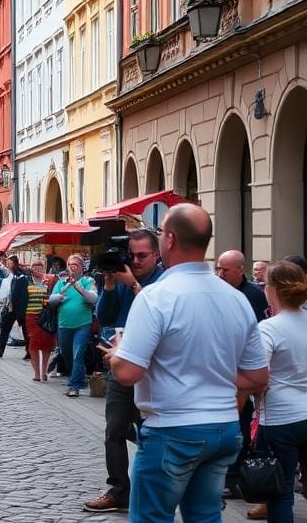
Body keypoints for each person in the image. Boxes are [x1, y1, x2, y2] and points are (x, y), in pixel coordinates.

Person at [106, 203, 268, 523]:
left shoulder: (156, 297)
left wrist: (117, 352)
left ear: (169, 239)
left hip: (172, 428)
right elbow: (258, 376)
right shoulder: (235, 298)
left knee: (152, 517)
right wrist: (210, 377)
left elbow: (127, 372)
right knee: (205, 516)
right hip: (223, 428)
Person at [84, 229, 164, 514]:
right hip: (120, 365)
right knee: (114, 430)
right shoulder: (119, 277)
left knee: (151, 431)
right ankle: (119, 491)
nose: (137, 261)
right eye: (133, 255)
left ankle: (153, 487)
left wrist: (133, 285)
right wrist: (109, 284)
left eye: (143, 255)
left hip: (153, 371)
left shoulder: (162, 281)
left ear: (157, 255)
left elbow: (156, 313)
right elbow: (104, 317)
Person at [252, 260, 307, 523]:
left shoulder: (268, 328)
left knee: (282, 492)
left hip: (280, 418)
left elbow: (258, 376)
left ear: (272, 289)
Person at [216, 249, 270, 498]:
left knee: (241, 421)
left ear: (240, 269)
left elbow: (258, 336)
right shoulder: (219, 292)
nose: (220, 273)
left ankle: (234, 475)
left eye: (225, 269)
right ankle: (228, 473)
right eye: (218, 268)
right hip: (223, 367)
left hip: (243, 371)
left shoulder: (253, 295)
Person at [48, 254, 97, 397]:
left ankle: (73, 385)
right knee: (67, 354)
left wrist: (79, 288)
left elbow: (94, 298)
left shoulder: (88, 281)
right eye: (70, 265)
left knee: (77, 354)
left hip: (82, 324)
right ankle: (80, 379)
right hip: (64, 325)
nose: (73, 268)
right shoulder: (62, 282)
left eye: (76, 265)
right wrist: (60, 295)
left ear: (82, 267)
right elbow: (51, 300)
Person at [0, 255, 29, 358]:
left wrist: (21, 311)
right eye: (8, 263)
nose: (9, 265)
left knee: (24, 329)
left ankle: (29, 351)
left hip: (19, 308)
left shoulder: (22, 277)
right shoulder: (12, 276)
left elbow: (23, 296)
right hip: (10, 307)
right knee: (5, 327)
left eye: (11, 263)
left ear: (15, 264)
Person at [23, 258, 56, 382]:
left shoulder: (49, 280)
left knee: (47, 344)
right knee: (34, 344)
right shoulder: (26, 280)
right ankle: (37, 372)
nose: (37, 268)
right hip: (30, 315)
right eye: (35, 266)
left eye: (40, 266)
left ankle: (44, 371)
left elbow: (51, 298)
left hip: (45, 316)